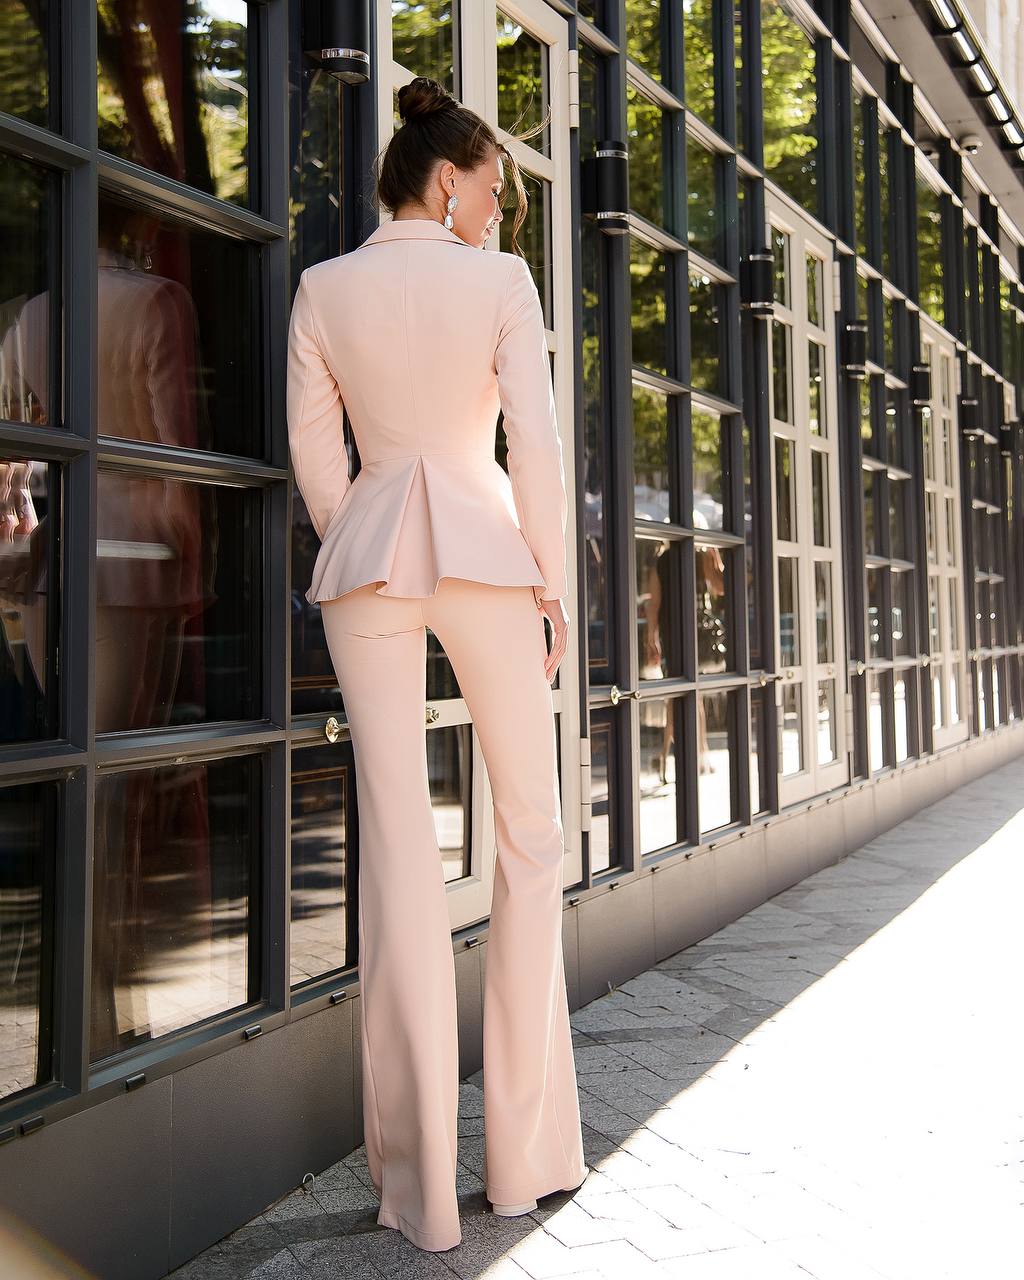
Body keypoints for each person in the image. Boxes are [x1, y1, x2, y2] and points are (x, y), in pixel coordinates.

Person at [285, 77, 589, 1253]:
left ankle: (414, 1197)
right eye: (497, 189)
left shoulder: (323, 286)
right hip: (485, 543)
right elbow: (538, 447)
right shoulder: (498, 283)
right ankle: (520, 1159)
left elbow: (320, 458)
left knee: (400, 847)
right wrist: (551, 581)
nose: (502, 211)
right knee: (527, 831)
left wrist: (361, 529)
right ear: (446, 179)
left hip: (366, 557)